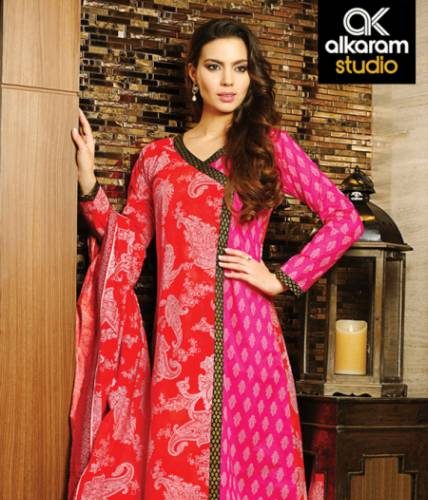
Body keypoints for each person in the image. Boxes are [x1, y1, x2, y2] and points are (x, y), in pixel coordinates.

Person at [68, 18, 363, 500]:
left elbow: (344, 219)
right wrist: (88, 182)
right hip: (178, 349)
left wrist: (282, 278)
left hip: (248, 339)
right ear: (193, 72)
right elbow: (127, 245)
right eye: (214, 67)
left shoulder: (268, 146)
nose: (228, 81)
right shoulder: (157, 159)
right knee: (175, 474)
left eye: (239, 68)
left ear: (251, 75)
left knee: (252, 472)